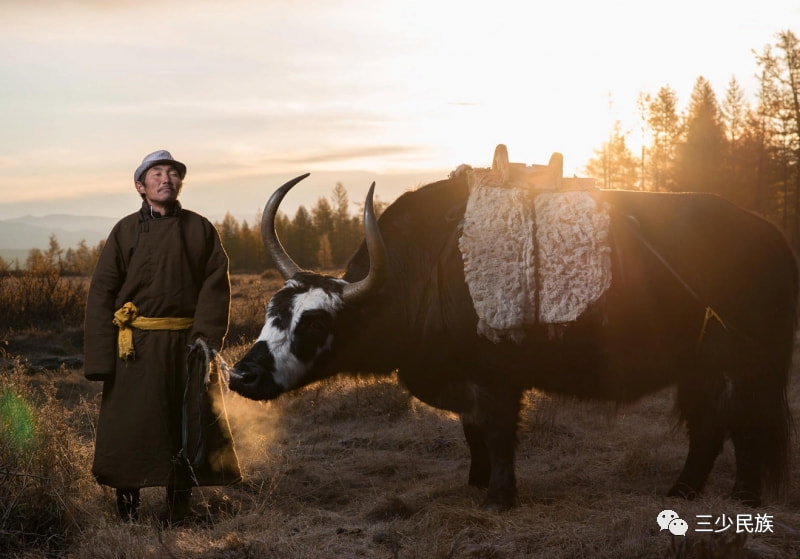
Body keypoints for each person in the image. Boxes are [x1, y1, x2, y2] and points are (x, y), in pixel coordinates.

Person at [84, 150, 241, 524]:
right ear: (141, 185)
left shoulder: (200, 229)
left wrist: (204, 341)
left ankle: (178, 511)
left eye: (173, 173)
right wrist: (101, 361)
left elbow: (215, 287)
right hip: (133, 351)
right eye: (156, 173)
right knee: (131, 428)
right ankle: (128, 512)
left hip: (185, 348)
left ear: (179, 183)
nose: (166, 179)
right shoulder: (124, 231)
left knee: (182, 426)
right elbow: (102, 293)